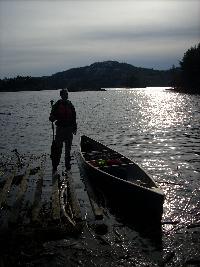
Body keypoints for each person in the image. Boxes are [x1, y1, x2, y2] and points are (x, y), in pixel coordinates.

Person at [49, 89, 77, 173]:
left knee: (68, 149)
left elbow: (74, 117)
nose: (66, 95)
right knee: (58, 149)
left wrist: (74, 127)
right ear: (61, 95)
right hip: (60, 130)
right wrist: (52, 118)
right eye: (65, 94)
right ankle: (55, 166)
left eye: (67, 94)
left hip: (69, 130)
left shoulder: (70, 104)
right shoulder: (57, 104)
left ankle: (67, 166)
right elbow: (51, 116)